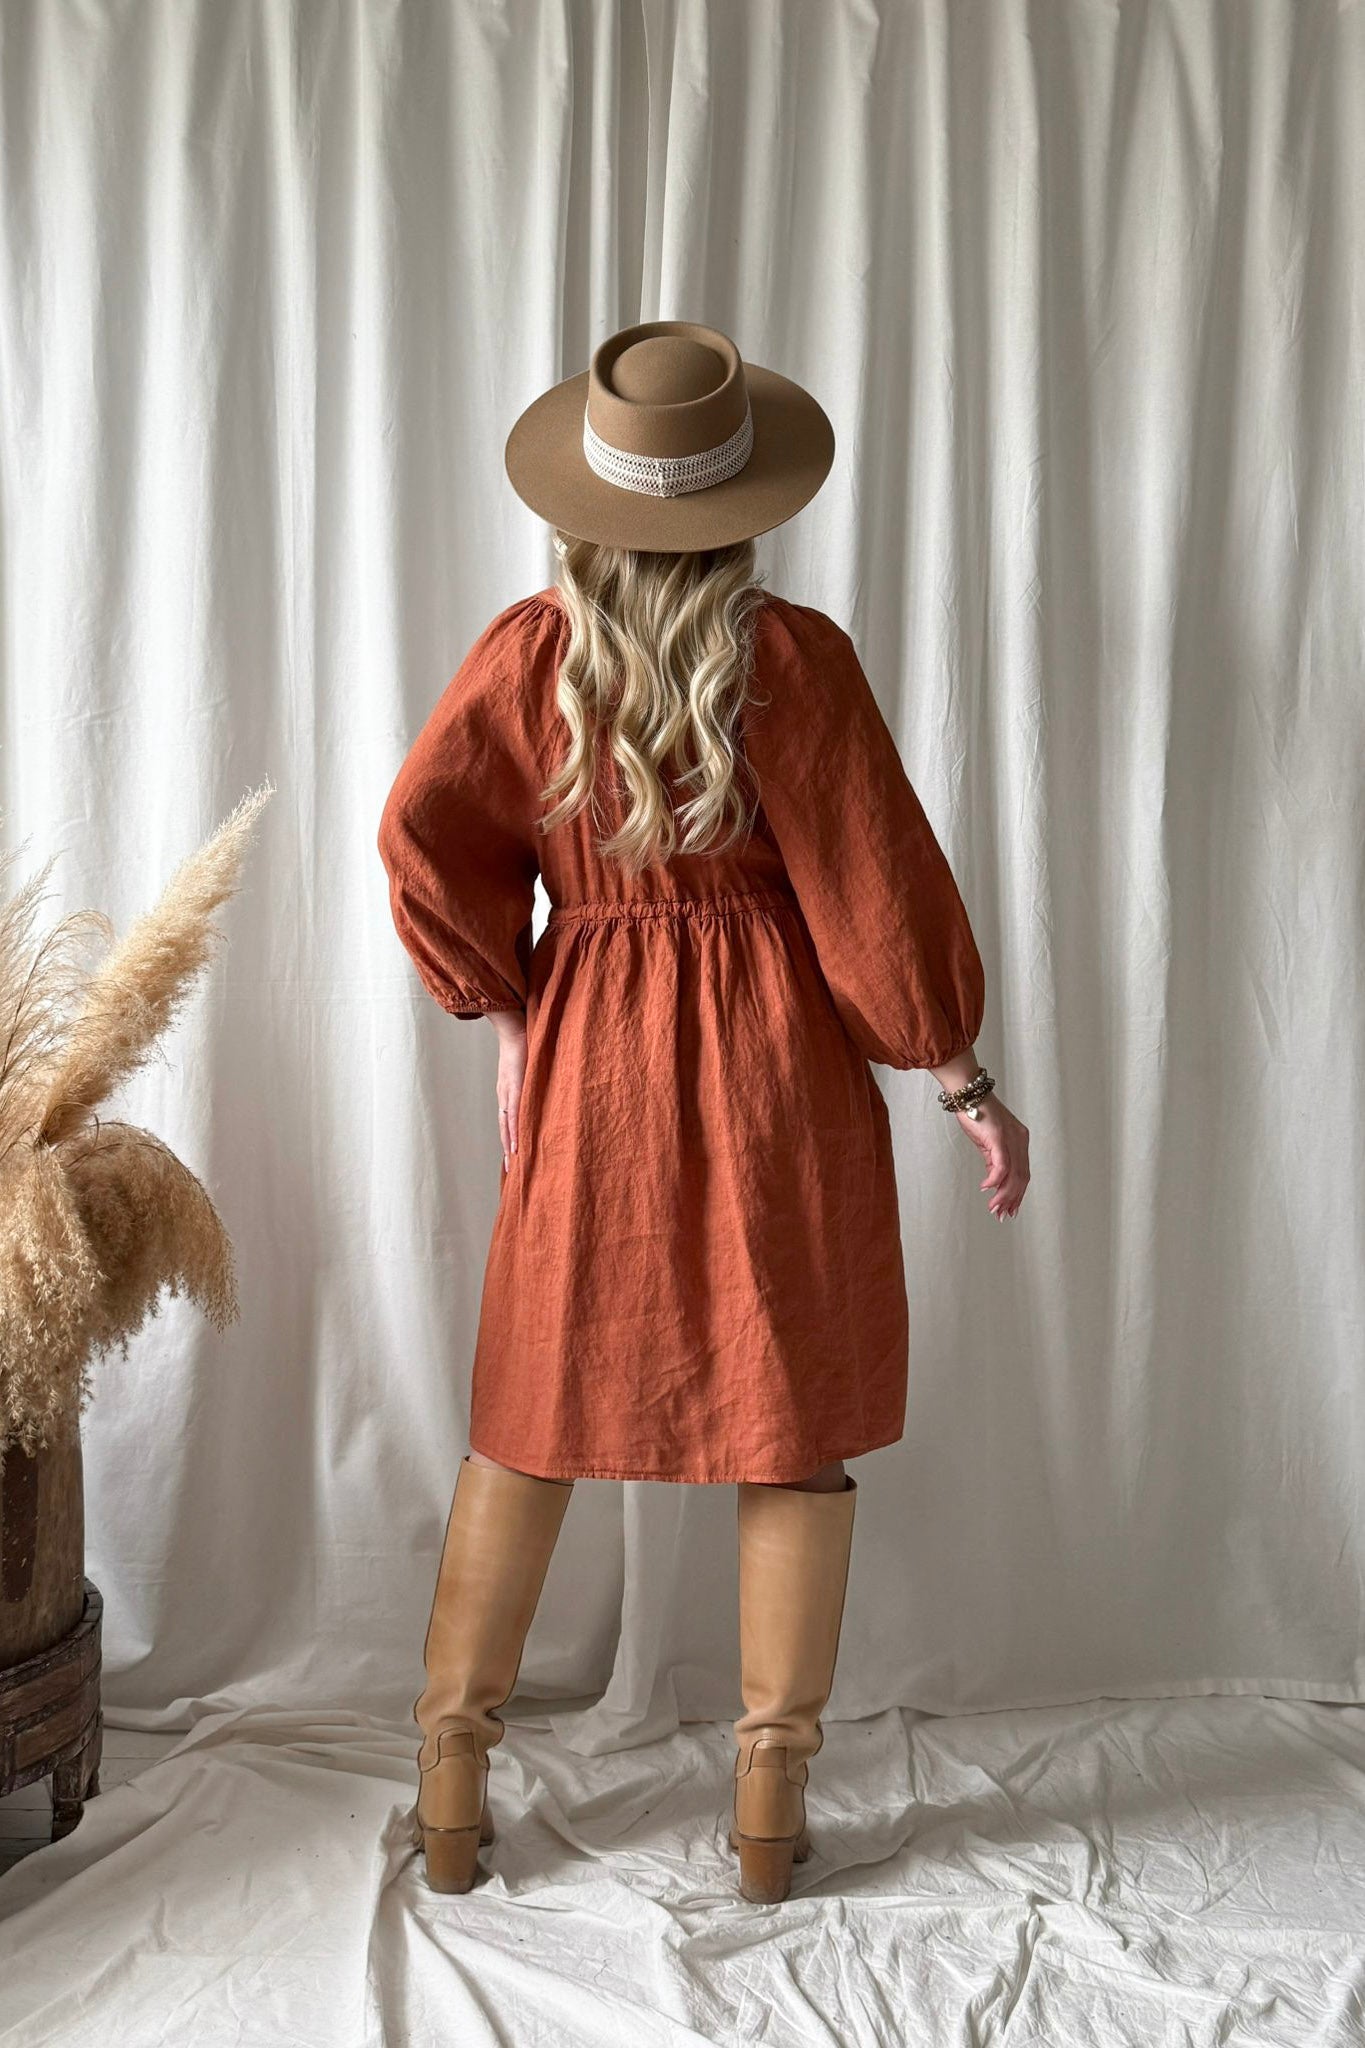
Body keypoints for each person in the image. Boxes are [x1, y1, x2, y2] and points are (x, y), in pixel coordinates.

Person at [376, 319, 1030, 1905]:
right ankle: (764, 1817)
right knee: (787, 1417)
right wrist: (959, 1074)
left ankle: (451, 1789)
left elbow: (420, 833)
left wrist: (515, 1011)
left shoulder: (530, 655)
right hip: (770, 1066)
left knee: (533, 1401)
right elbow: (871, 888)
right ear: (742, 505)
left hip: (590, 1053)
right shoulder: (787, 659)